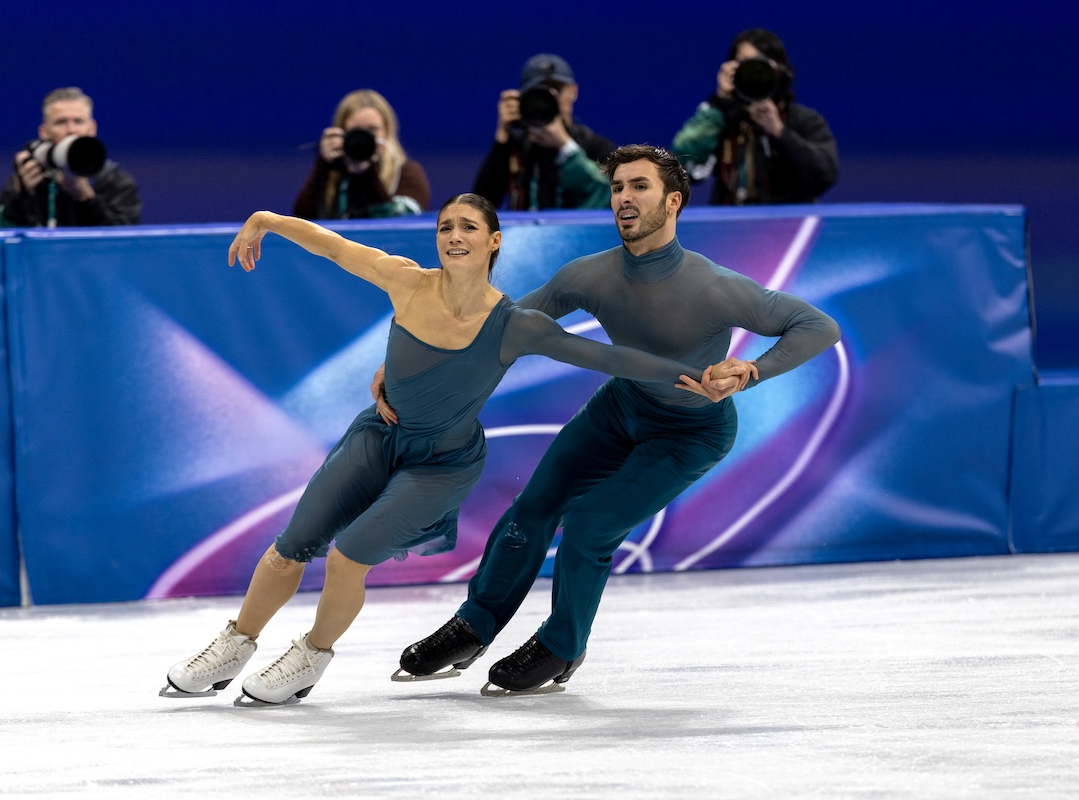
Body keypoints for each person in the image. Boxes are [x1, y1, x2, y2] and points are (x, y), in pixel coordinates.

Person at [164, 194, 749, 704]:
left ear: (494, 241)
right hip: (379, 435)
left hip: (444, 464)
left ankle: (311, 656)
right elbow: (334, 247)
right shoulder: (405, 280)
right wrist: (265, 219)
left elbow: (610, 358)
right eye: (445, 227)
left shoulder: (516, 324)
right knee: (289, 547)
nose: (454, 236)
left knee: (347, 556)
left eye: (468, 227)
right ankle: (234, 642)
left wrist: (694, 374)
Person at [397, 145, 840, 695]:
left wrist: (752, 369)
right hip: (621, 408)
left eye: (639, 187)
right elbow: (501, 329)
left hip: (691, 432)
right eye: (617, 188)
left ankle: (562, 646)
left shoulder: (713, 286)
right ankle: (476, 624)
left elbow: (816, 326)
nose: (624, 198)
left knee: (590, 524)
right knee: (531, 509)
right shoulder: (589, 276)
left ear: (673, 201)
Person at [671, 28, 838, 205]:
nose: (752, 72)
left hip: (789, 226)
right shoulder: (722, 120)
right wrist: (719, 104)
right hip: (732, 225)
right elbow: (680, 166)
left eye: (760, 64)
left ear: (780, 71)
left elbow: (825, 175)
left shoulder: (803, 120)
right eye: (743, 65)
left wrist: (780, 132)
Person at [472, 53, 616, 211]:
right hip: (524, 236)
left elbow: (610, 197)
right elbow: (480, 207)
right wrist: (502, 136)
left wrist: (564, 145)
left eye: (556, 90)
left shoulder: (596, 147)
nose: (549, 98)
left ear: (573, 92)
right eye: (540, 92)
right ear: (524, 98)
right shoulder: (516, 148)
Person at [0, 87, 141, 228]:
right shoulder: (30, 178)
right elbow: (1, 235)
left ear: (92, 129)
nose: (71, 130)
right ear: (44, 132)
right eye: (61, 122)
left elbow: (124, 244)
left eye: (78, 121)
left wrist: (87, 199)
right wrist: (20, 197)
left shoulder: (116, 182)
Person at [292, 89, 431, 220]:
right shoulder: (334, 176)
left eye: (372, 130)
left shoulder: (407, 173)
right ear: (341, 133)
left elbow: (402, 220)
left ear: (387, 131)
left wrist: (365, 172)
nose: (364, 138)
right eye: (356, 131)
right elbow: (302, 219)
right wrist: (323, 166)